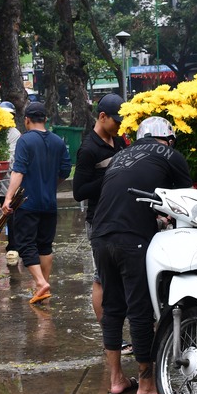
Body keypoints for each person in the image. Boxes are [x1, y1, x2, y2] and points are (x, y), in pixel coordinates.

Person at [90, 116, 192, 394]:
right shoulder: (171, 155)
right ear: (168, 139)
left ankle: (116, 380)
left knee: (112, 308)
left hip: (100, 235)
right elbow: (186, 200)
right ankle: (147, 385)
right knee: (140, 308)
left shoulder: (121, 156)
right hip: (130, 237)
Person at [2, 102, 72, 304]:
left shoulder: (25, 141)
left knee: (25, 245)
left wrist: (8, 198)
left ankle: (40, 283)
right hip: (49, 203)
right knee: (45, 245)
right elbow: (65, 171)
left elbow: (18, 171)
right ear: (46, 120)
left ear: (26, 120)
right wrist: (50, 185)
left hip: (27, 203)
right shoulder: (58, 141)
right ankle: (43, 286)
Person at [72, 94, 127, 323]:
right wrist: (110, 177)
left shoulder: (120, 141)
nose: (120, 126)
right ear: (102, 117)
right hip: (99, 220)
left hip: (121, 217)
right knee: (101, 278)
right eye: (116, 121)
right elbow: (79, 191)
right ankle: (109, 336)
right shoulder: (88, 149)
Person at [0, 101, 22, 266]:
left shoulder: (14, 134)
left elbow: (12, 159)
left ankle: (13, 245)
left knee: (11, 214)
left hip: (8, 181)